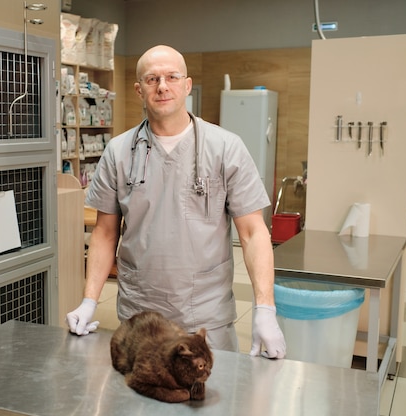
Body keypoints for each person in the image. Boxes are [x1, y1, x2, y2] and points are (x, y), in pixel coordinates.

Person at [66, 45, 286, 358]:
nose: (163, 86)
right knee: (138, 399)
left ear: (186, 84)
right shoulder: (118, 152)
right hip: (140, 315)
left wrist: (265, 308)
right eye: (152, 79)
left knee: (210, 399)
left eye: (172, 77)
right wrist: (89, 300)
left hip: (206, 315)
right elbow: (104, 233)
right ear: (139, 89)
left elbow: (253, 232)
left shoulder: (226, 148)